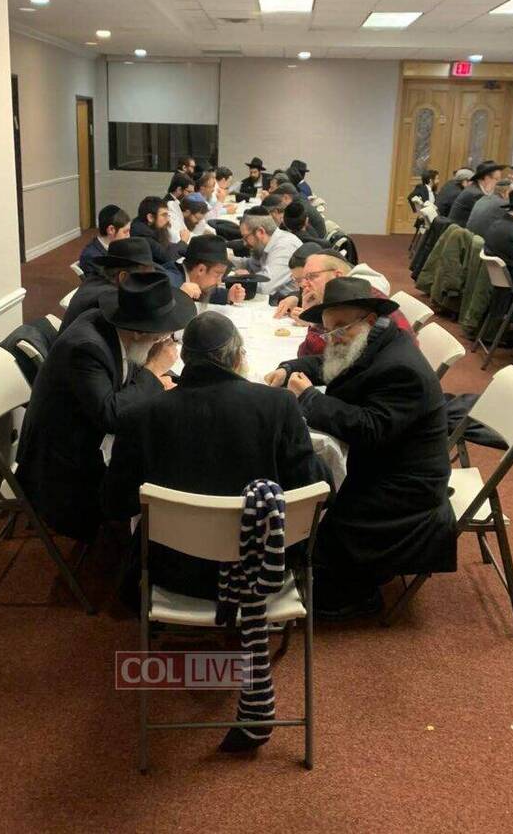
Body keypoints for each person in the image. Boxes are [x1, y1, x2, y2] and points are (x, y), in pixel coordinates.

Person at [103, 311, 328, 601]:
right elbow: (315, 491)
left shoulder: (141, 415)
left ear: (185, 358)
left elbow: (115, 503)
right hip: (260, 567)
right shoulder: (280, 405)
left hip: (171, 569)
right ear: (236, 358)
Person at [264, 277, 456, 619]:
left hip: (402, 489)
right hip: (380, 464)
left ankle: (361, 597)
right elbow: (329, 364)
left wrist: (308, 398)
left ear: (368, 319)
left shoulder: (401, 369)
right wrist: (288, 368)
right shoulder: (371, 340)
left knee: (313, 540)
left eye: (340, 328)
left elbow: (368, 429)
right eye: (327, 330)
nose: (332, 338)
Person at [16, 273, 196, 541]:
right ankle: (155, 545)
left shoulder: (119, 331)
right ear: (139, 331)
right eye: (163, 334)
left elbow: (128, 378)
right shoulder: (86, 347)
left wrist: (168, 381)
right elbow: (111, 416)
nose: (167, 340)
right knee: (169, 465)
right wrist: (154, 370)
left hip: (87, 437)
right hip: (64, 469)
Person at [275, 251, 415, 351]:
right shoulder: (351, 291)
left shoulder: (356, 302)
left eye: (311, 277)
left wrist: (313, 321)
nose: (305, 285)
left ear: (337, 275)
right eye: (303, 279)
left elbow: (318, 352)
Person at [60, 237, 157, 333]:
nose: (149, 282)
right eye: (146, 276)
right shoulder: (109, 302)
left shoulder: (96, 279)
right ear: (123, 277)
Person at [230, 212, 302, 299]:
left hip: (282, 301)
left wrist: (244, 278)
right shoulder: (265, 244)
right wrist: (227, 259)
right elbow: (249, 265)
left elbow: (264, 287)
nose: (245, 243)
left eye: (246, 237)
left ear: (260, 232)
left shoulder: (285, 246)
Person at [164, 234, 246, 306]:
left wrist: (228, 295)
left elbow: (203, 292)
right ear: (201, 270)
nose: (219, 282)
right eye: (217, 274)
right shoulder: (168, 282)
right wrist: (179, 296)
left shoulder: (191, 281)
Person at [131, 196, 185, 265]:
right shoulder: (142, 236)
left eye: (167, 215)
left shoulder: (152, 230)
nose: (168, 219)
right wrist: (183, 242)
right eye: (164, 215)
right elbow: (166, 256)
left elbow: (167, 246)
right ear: (150, 217)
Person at [78, 205, 131, 275]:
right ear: (111, 230)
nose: (129, 236)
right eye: (125, 232)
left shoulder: (119, 245)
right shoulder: (91, 257)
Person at [448, 160, 504, 227]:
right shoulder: (475, 194)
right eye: (497, 179)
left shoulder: (475, 189)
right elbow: (490, 217)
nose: (498, 183)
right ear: (487, 178)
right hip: (459, 232)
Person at [165, 171, 195, 243]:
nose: (191, 196)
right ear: (178, 189)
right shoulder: (169, 205)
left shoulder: (176, 202)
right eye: (189, 192)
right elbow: (175, 235)